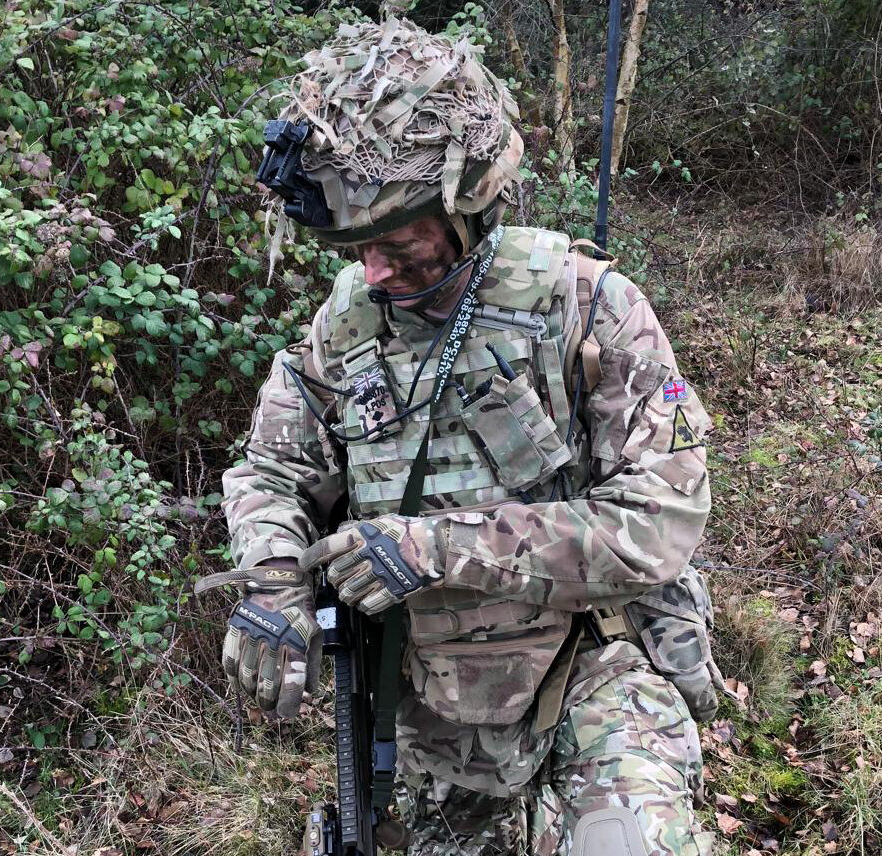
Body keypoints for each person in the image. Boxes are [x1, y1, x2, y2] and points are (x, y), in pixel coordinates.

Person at [205, 17, 723, 856]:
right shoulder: (346, 329)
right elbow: (270, 470)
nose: (372, 271)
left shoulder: (589, 307)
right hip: (431, 704)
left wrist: (436, 549)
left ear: (467, 207)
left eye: (396, 242)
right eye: (353, 248)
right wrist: (271, 582)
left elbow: (659, 519)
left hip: (595, 665)